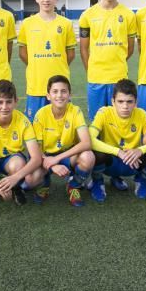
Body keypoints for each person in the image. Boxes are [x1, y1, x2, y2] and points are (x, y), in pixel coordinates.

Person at [88, 79, 146, 201]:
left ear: (136, 102)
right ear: (113, 101)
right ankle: (97, 182)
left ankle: (142, 180)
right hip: (111, 161)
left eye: (129, 102)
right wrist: (118, 152)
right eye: (120, 101)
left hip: (133, 161)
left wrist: (139, 150)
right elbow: (89, 139)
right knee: (96, 154)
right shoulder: (104, 113)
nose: (125, 106)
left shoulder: (142, 115)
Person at [78, 0, 137, 120]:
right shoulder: (87, 15)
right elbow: (83, 49)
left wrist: (117, 61)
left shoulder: (129, 15)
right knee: (96, 121)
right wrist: (91, 70)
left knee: (118, 121)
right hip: (96, 78)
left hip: (118, 78)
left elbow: (130, 48)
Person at [31, 75, 94, 207]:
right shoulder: (41, 114)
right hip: (45, 157)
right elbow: (36, 150)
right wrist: (53, 165)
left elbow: (86, 142)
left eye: (63, 91)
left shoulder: (75, 111)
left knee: (88, 157)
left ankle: (73, 186)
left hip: (67, 155)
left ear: (70, 95)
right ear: (48, 96)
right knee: (30, 179)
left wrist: (58, 158)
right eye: (55, 91)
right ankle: (45, 184)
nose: (59, 95)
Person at [17, 0, 76, 121]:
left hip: (60, 89)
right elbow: (23, 53)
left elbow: (71, 54)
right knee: (34, 129)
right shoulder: (27, 23)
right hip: (36, 86)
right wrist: (36, 64)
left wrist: (57, 64)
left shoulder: (66, 24)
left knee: (62, 128)